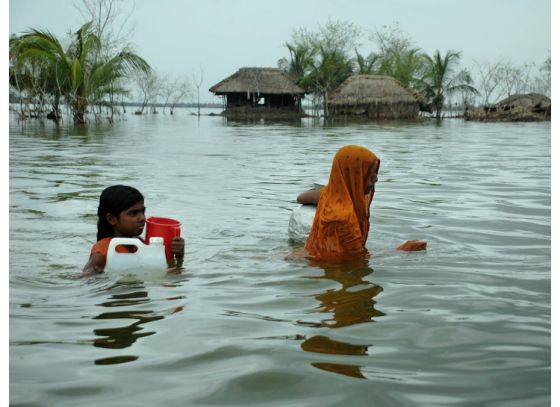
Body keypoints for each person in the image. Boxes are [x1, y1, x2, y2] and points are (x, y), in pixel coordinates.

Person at [296, 145, 426, 262]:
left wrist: (338, 184)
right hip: (334, 269)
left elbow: (301, 198)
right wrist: (402, 249)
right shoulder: (343, 219)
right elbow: (358, 260)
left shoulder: (329, 195)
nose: (376, 178)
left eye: (376, 172)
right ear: (354, 175)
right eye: (369, 173)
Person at [82, 185, 185, 275]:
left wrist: (179, 256)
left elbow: (160, 269)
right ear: (112, 219)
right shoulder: (103, 250)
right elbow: (85, 279)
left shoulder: (139, 243)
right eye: (133, 213)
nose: (142, 218)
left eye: (142, 212)